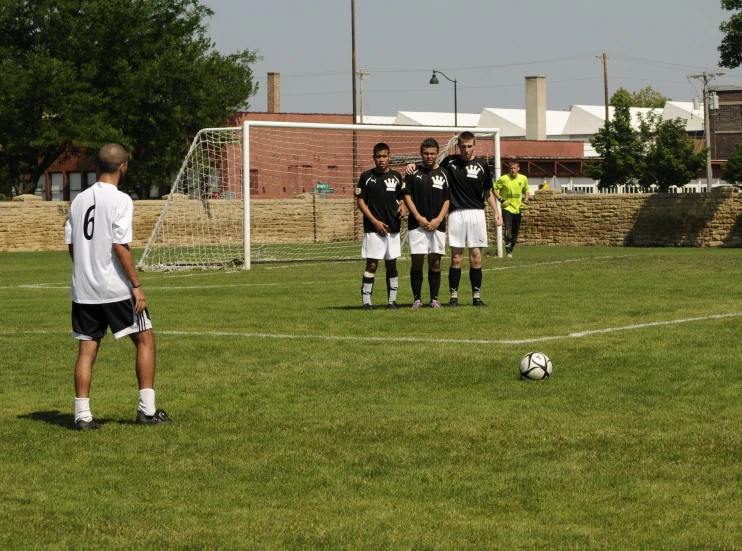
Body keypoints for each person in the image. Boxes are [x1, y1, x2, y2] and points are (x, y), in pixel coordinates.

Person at [64, 143, 171, 430]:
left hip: (84, 289)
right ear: (122, 166)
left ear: (98, 166)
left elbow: (72, 245)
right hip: (114, 289)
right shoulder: (121, 199)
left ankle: (82, 416)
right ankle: (147, 411)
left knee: (87, 350)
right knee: (145, 339)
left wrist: (85, 271)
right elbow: (120, 246)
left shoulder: (78, 200)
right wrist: (136, 285)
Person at [406, 131, 502, 307]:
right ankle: (453, 297)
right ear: (458, 146)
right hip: (456, 213)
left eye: (469, 146)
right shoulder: (449, 162)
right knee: (456, 258)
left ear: (475, 145)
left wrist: (496, 210)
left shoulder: (482, 165)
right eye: (463, 146)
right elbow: (431, 166)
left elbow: (488, 192)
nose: (466, 150)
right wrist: (413, 164)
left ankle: (476, 297)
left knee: (476, 258)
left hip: (477, 213)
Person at [355, 142, 405, 310]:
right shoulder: (366, 177)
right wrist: (374, 221)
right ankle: (367, 302)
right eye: (378, 156)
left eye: (384, 156)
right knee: (372, 265)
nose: (381, 159)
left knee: (391, 264)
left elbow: (402, 196)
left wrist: (403, 206)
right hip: (373, 229)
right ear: (373, 158)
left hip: (393, 227)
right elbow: (360, 202)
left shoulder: (397, 176)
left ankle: (392, 301)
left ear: (389, 157)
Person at [403, 138, 451, 309]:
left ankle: (434, 299)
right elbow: (407, 196)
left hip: (438, 224)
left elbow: (447, 199)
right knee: (417, 261)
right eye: (425, 153)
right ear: (420, 154)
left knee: (435, 262)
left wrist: (438, 220)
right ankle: (417, 299)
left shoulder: (445, 173)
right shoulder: (413, 172)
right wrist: (419, 217)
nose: (429, 156)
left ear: (437, 154)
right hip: (417, 224)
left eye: (432, 153)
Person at [494, 162, 530, 258]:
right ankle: (508, 250)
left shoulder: (523, 178)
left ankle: (511, 247)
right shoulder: (503, 179)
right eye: (511, 168)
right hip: (507, 207)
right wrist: (501, 199)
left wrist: (526, 201)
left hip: (517, 208)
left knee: (515, 231)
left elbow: (527, 191)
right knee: (508, 228)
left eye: (514, 168)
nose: (513, 170)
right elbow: (493, 189)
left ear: (518, 169)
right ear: (509, 169)